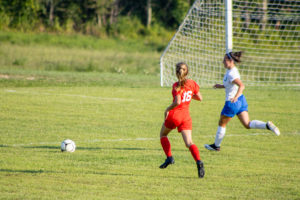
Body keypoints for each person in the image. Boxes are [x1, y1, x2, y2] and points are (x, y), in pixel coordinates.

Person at [204, 51, 280, 152]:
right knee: (247, 124)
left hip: (232, 102)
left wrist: (235, 97)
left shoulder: (231, 73)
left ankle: (216, 146)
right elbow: (231, 84)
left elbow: (241, 85)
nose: (222, 62)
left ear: (231, 61)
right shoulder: (232, 70)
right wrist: (221, 86)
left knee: (222, 123)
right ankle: (267, 125)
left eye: (224, 60)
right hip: (241, 101)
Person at [159, 62, 205, 178]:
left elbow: (177, 102)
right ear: (187, 71)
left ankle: (169, 158)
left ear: (176, 72)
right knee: (189, 143)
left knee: (163, 135)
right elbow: (200, 98)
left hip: (175, 115)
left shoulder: (176, 85)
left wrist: (167, 109)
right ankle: (199, 162)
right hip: (186, 116)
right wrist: (189, 96)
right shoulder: (192, 83)